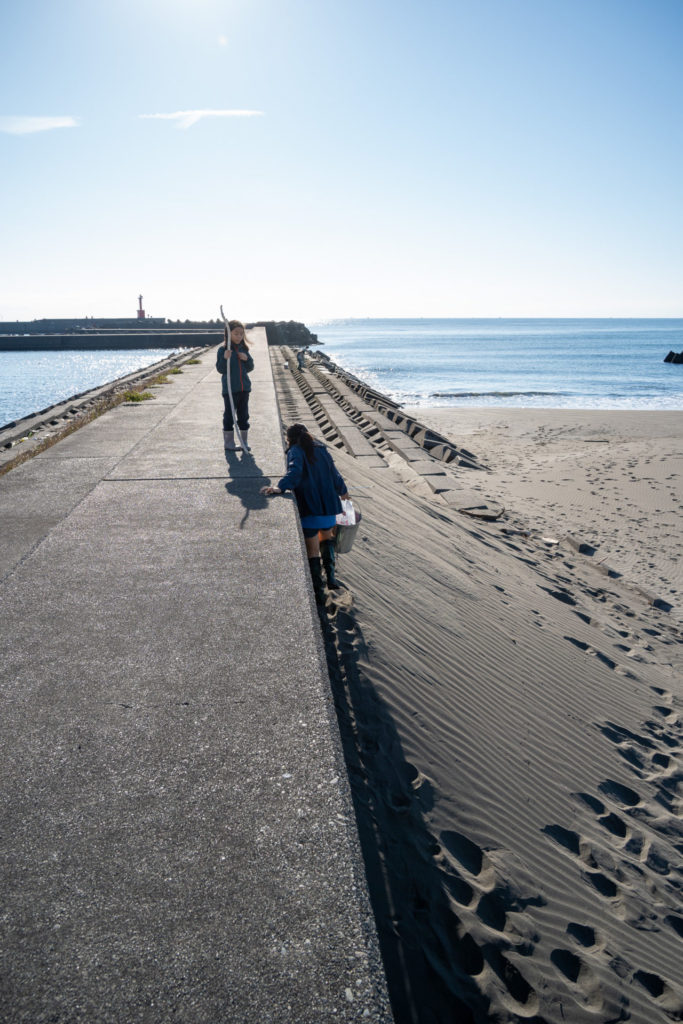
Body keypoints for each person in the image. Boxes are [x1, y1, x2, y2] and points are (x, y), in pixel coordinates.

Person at [261, 423, 350, 603]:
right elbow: (335, 475)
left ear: (289, 439)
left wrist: (280, 487)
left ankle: (318, 592)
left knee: (313, 550)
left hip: (310, 507)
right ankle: (331, 578)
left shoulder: (295, 451)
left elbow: (294, 472)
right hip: (328, 508)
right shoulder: (322, 449)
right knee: (327, 538)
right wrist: (343, 492)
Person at [216, 320, 254, 450]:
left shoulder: (244, 349)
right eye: (236, 334)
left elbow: (250, 367)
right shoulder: (223, 350)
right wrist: (224, 358)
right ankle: (229, 443)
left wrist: (246, 359)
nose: (239, 336)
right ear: (229, 333)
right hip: (230, 390)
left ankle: (244, 442)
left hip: (244, 389)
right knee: (229, 416)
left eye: (241, 334)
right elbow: (220, 369)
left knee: (244, 416)